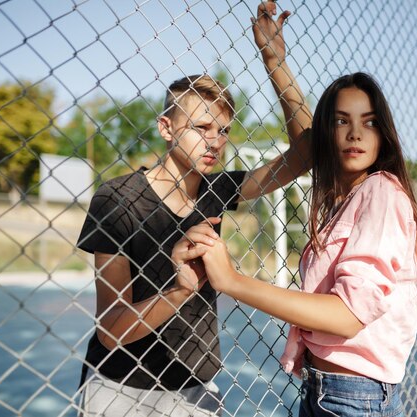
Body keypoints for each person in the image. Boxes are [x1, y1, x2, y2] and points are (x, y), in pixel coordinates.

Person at [75, 2, 312, 416]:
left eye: (223, 131)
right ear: (166, 128)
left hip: (196, 387)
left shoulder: (218, 189)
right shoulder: (117, 199)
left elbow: (306, 153)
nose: (215, 141)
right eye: (201, 128)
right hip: (120, 387)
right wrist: (181, 290)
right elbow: (111, 330)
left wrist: (275, 62)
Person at [181, 72, 417, 416]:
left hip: (355, 399)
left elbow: (349, 315)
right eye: (341, 121)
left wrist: (233, 281)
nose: (355, 133)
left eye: (369, 122)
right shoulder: (346, 198)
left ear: (383, 134)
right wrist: (274, 61)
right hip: (330, 391)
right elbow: (306, 145)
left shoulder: (381, 192)